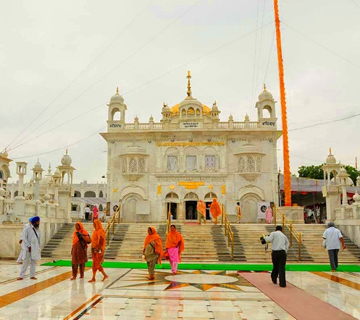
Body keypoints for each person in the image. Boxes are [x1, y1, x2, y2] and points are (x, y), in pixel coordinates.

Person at [17, 216, 41, 280]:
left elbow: (38, 239)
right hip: (28, 248)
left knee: (33, 262)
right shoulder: (27, 228)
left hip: (35, 248)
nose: (39, 223)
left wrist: (38, 247)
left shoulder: (38, 230)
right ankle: (21, 276)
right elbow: (24, 238)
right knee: (25, 262)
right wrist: (28, 246)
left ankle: (32, 275)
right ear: (35, 222)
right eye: (38, 222)